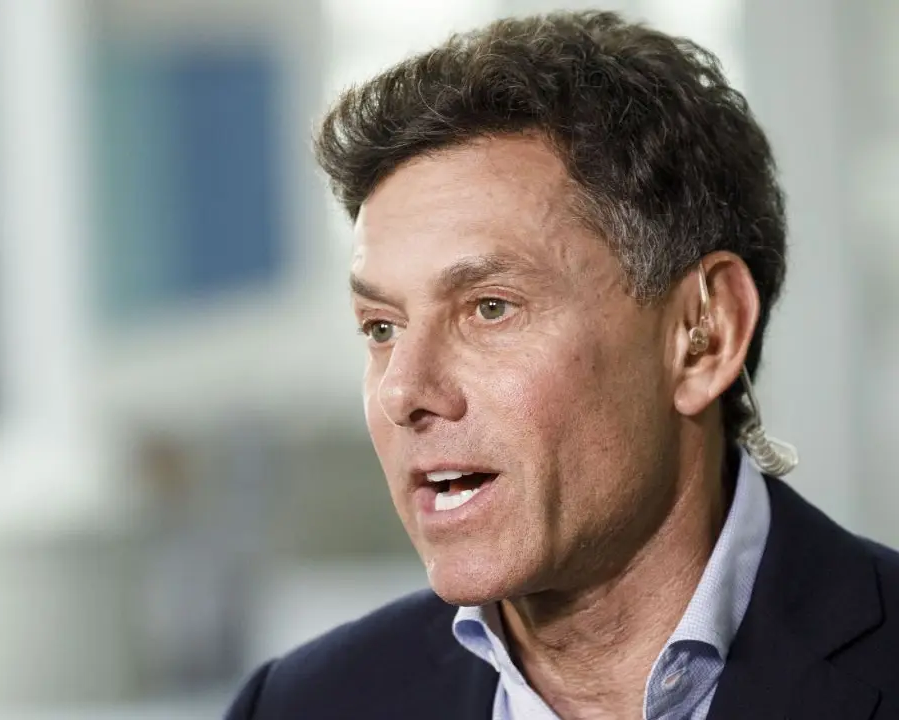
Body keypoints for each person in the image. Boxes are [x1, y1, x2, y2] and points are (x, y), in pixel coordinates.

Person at [225, 10, 899, 720]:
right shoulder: (299, 705)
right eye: (382, 327)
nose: (403, 391)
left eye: (489, 308)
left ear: (704, 334)